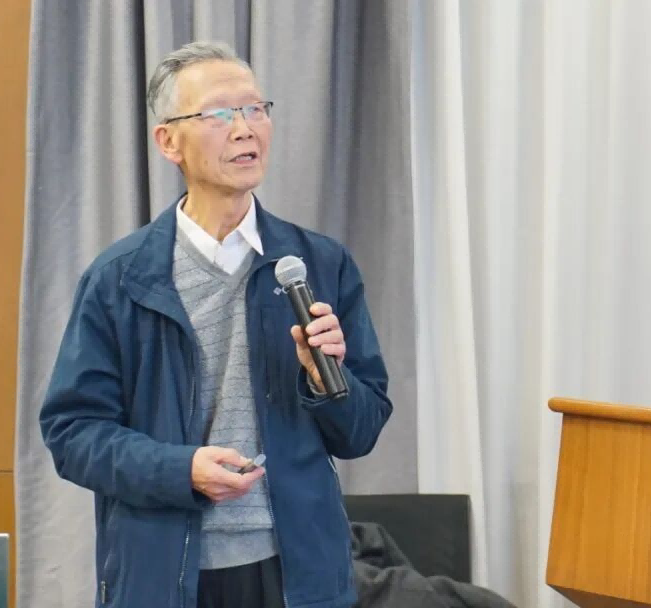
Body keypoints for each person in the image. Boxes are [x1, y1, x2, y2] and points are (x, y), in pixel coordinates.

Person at [39, 40, 393, 608]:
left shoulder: (318, 265)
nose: (245, 129)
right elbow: (73, 433)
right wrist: (181, 470)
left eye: (255, 109)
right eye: (219, 114)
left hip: (295, 575)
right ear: (168, 142)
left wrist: (326, 381)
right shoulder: (119, 279)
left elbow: (362, 431)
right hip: (163, 577)